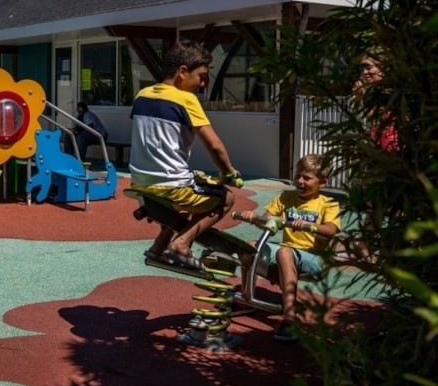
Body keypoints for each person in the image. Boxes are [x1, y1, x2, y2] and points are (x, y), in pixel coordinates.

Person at [129, 41, 239, 273]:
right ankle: (182, 243)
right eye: (201, 76)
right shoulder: (185, 99)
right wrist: (228, 172)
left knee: (191, 187)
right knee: (226, 198)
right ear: (182, 72)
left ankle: (159, 247)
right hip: (172, 186)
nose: (203, 83)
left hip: (140, 182)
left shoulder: (142, 95)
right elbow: (215, 145)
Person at [234, 154, 341, 342]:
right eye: (298, 176)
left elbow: (331, 230)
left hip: (314, 258)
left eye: (307, 178)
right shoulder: (286, 197)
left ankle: (289, 318)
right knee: (250, 247)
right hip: (287, 250)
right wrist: (254, 218)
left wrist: (309, 225)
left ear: (322, 182)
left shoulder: (328, 203)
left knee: (284, 252)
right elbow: (266, 220)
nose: (300, 181)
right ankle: (246, 297)